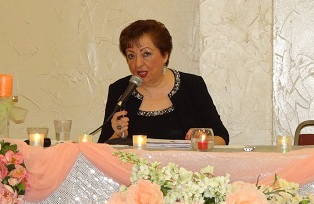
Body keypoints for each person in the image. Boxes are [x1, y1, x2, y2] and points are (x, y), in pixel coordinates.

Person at [97, 19, 229, 145]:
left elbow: (222, 137)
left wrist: (201, 140)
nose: (138, 64)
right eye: (131, 55)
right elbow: (101, 149)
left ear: (165, 55)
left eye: (146, 54)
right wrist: (117, 135)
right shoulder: (120, 90)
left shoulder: (192, 85)